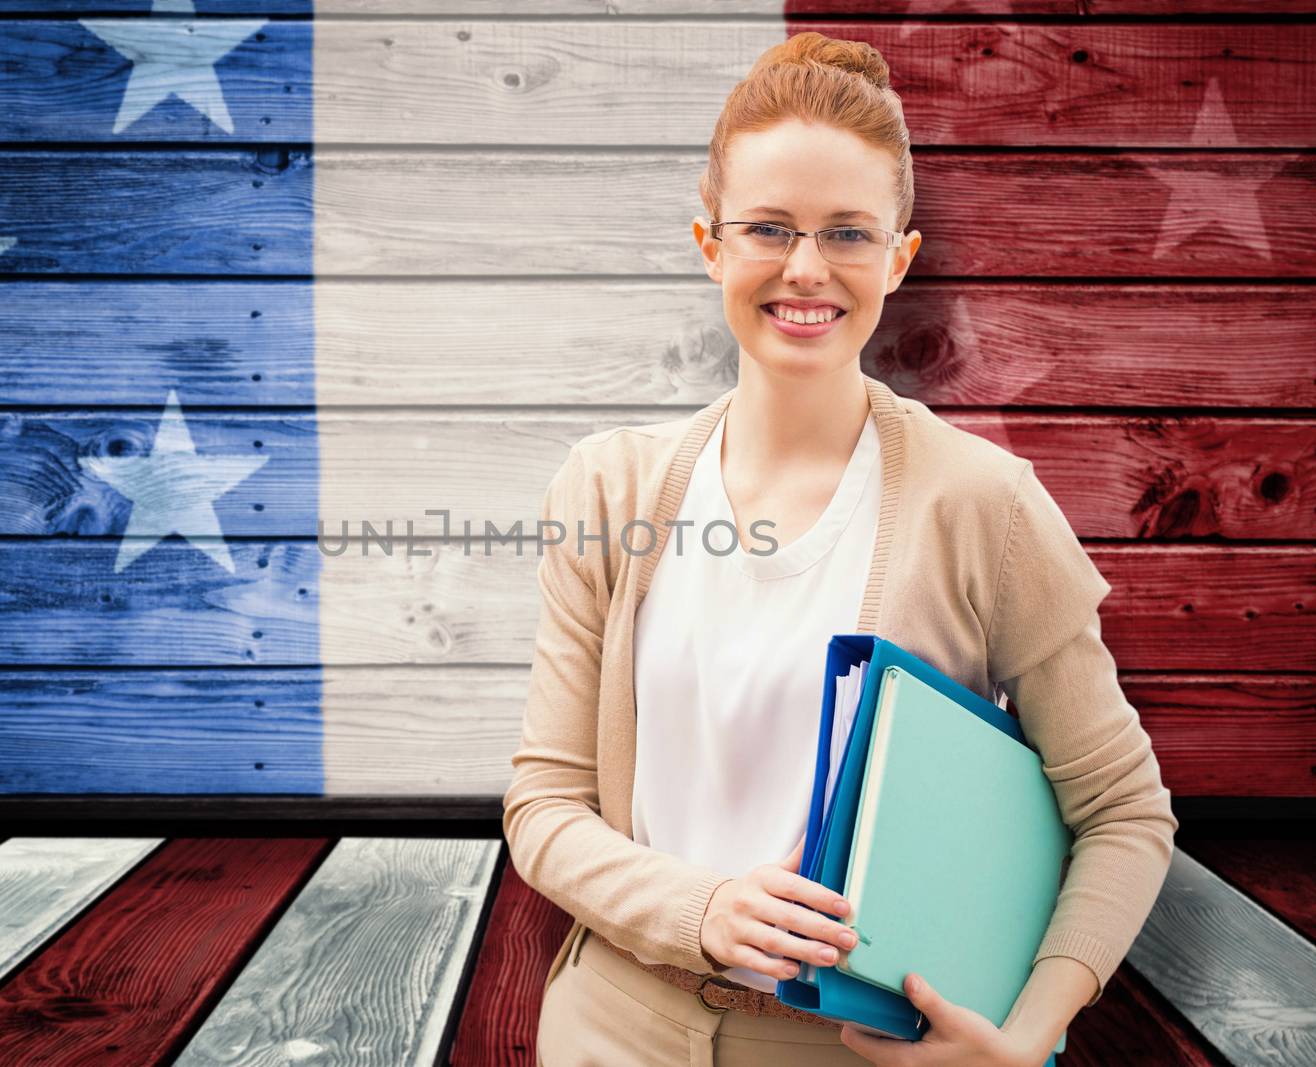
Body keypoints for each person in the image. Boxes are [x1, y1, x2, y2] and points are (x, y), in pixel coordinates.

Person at [502, 29, 1178, 1067]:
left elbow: (1124, 814)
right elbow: (544, 805)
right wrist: (703, 905)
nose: (805, 268)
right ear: (709, 244)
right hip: (611, 1024)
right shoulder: (609, 488)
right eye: (768, 228)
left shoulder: (984, 503)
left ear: (899, 257)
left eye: (848, 234)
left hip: (851, 1045)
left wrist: (1027, 1036)